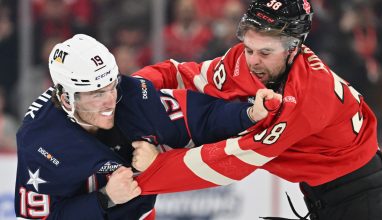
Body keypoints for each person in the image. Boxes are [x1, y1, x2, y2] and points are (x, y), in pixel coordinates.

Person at [132, 1, 382, 219]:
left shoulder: (306, 97)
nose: (253, 61)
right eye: (249, 49)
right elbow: (183, 73)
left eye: (265, 52)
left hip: (364, 199)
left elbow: (233, 161)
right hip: (323, 192)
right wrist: (125, 89)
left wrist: (152, 169)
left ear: (294, 49)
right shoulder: (246, 59)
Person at [14, 34, 278, 219]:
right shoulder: (38, 140)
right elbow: (48, 216)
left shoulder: (133, 96)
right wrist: (105, 198)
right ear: (66, 98)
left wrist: (249, 113)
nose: (109, 101)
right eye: (96, 93)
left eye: (110, 87)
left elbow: (200, 117)